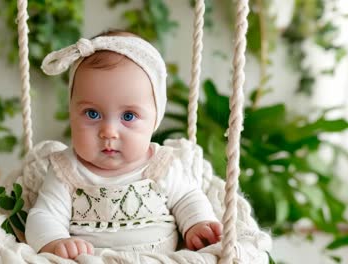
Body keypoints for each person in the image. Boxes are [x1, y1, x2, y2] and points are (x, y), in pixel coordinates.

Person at [25, 30, 222, 260]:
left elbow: (188, 198)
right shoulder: (66, 170)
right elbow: (44, 216)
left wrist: (196, 224)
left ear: (154, 119)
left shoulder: (161, 165)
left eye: (128, 116)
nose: (108, 131)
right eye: (92, 113)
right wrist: (56, 241)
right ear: (72, 112)